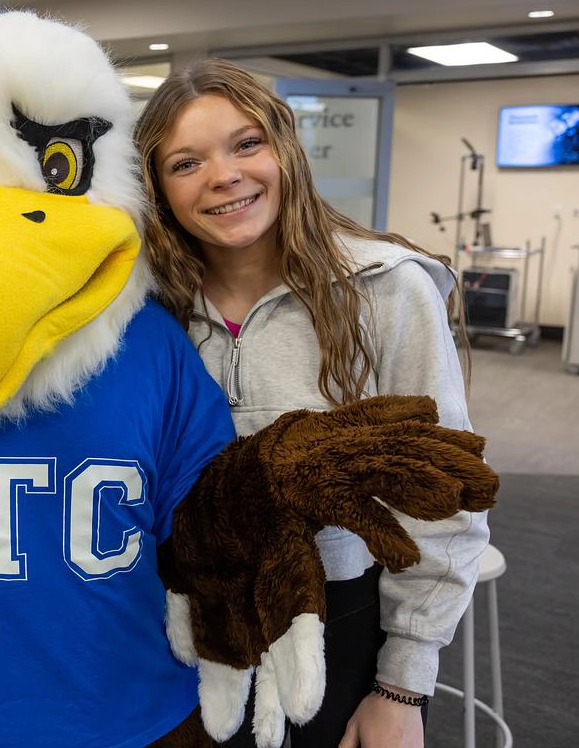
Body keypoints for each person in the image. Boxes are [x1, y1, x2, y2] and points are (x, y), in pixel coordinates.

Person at [135, 57, 489, 748]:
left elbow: (444, 499)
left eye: (246, 144)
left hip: (340, 619)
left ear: (286, 150)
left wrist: (401, 687)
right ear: (157, 189)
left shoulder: (386, 292)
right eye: (185, 163)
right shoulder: (146, 310)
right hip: (181, 622)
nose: (224, 175)